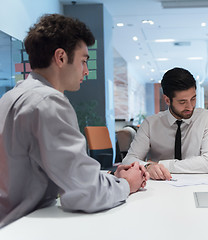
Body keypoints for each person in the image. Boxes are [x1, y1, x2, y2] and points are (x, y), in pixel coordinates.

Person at [0, 14, 149, 228]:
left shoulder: (13, 96)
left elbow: (66, 174)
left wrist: (110, 177)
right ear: (61, 57)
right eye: (83, 61)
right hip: (25, 226)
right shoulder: (48, 102)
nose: (86, 71)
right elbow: (85, 193)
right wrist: (127, 183)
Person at [122, 67, 208, 180]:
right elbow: (129, 159)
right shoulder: (150, 124)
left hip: (198, 183)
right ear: (167, 100)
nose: (190, 106)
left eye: (193, 99)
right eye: (182, 102)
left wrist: (161, 165)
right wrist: (148, 166)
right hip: (159, 186)